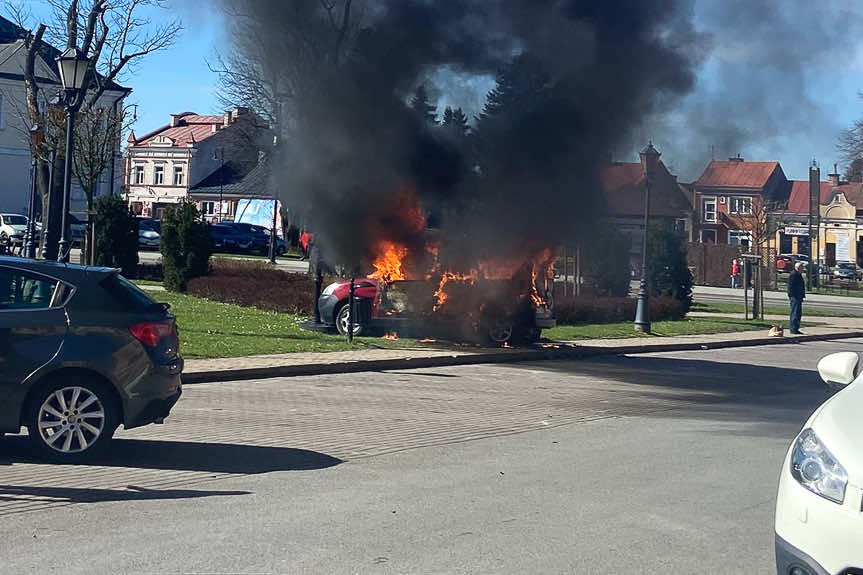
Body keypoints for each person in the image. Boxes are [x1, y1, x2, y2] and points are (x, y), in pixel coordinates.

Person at [787, 261, 806, 334]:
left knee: (798, 313)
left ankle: (796, 328)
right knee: (795, 312)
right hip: (795, 296)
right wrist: (792, 295)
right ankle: (793, 328)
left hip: (799, 296)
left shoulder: (798, 274)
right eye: (802, 267)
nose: (803, 269)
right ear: (798, 268)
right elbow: (791, 287)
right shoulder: (794, 274)